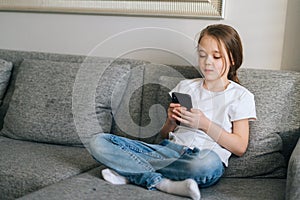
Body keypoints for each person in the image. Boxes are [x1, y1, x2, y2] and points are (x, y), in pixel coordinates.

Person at [88, 24, 256, 200]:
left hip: (201, 158)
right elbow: (164, 136)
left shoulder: (240, 96)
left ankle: (131, 171)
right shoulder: (186, 87)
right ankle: (160, 182)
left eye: (216, 57)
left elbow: (240, 147)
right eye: (202, 55)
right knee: (98, 142)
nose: (207, 62)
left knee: (206, 165)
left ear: (233, 59)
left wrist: (205, 125)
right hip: (167, 152)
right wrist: (170, 122)